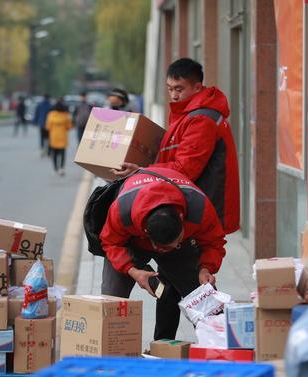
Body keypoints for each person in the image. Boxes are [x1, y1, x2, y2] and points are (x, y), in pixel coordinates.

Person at [113, 58, 240, 235]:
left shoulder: (201, 120)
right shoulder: (187, 114)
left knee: (196, 261)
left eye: (179, 89)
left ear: (197, 87)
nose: (173, 95)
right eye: (170, 88)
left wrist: (141, 171)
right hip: (194, 202)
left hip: (202, 207)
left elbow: (185, 169)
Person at [100, 166, 226, 340]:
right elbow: (110, 242)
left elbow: (214, 242)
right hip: (130, 242)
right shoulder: (122, 211)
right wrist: (133, 271)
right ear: (146, 233)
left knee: (206, 300)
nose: (173, 246)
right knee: (111, 297)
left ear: (182, 219)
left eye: (177, 240)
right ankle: (110, 353)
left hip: (180, 242)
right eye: (165, 247)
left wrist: (206, 268)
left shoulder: (199, 207)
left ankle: (219, 347)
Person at [45, 98, 73, 176]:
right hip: (63, 137)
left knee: (54, 154)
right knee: (62, 154)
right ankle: (61, 168)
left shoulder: (51, 115)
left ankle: (55, 169)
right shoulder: (66, 115)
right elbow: (69, 126)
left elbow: (48, 127)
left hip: (53, 137)